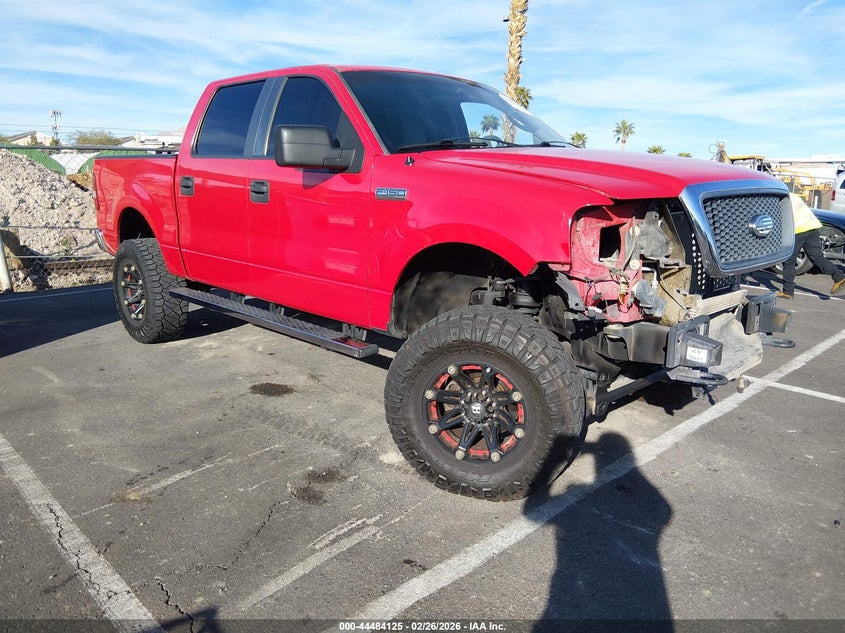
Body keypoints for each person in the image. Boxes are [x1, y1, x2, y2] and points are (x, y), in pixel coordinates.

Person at [777, 192, 845, 299]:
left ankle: (787, 291)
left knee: (789, 260)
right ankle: (838, 276)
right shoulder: (792, 195)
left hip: (798, 229)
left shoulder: (779, 197)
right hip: (811, 226)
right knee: (816, 257)